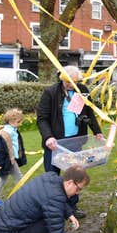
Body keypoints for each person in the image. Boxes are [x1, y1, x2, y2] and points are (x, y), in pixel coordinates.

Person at [36, 65, 102, 219]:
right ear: (62, 79)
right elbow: (42, 118)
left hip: (75, 142)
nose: (71, 85)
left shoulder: (83, 90)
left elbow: (89, 112)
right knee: (52, 177)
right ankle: (53, 209)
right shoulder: (51, 92)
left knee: (74, 176)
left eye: (74, 82)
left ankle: (72, 207)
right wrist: (48, 137)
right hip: (55, 144)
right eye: (68, 82)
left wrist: (97, 131)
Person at [0, 165, 91, 233]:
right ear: (69, 182)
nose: (77, 193)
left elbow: (55, 199)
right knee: (49, 228)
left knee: (50, 220)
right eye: (78, 189)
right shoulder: (54, 197)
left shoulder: (50, 177)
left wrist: (69, 213)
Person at [0, 108, 27, 208]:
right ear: (12, 121)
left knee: (3, 179)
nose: (20, 124)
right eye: (19, 122)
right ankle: (25, 198)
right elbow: (1, 151)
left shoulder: (13, 130)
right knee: (19, 178)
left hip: (10, 159)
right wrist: (0, 164)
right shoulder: (5, 133)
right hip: (8, 161)